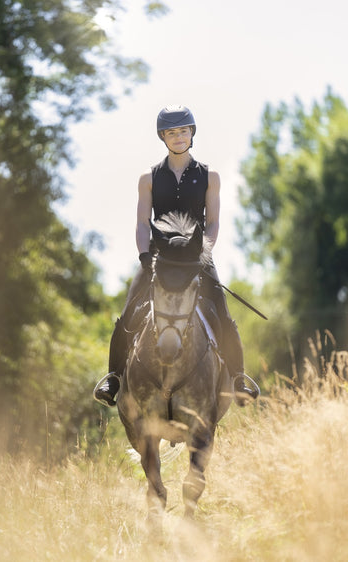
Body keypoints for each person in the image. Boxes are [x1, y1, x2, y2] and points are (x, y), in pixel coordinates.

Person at [94, 105, 258, 407]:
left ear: (192, 133)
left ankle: (237, 379)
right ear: (163, 137)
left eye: (183, 131)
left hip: (197, 257)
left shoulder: (211, 176)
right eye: (172, 132)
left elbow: (214, 222)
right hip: (159, 258)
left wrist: (204, 252)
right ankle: (114, 378)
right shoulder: (149, 178)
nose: (179, 137)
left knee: (222, 314)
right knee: (128, 314)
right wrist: (145, 256)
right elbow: (142, 223)